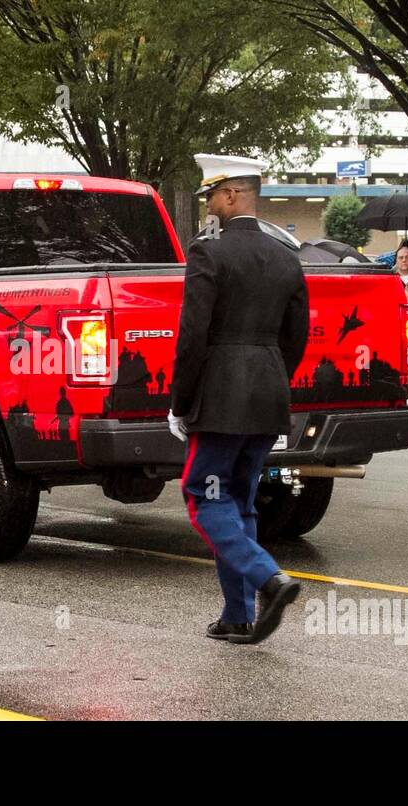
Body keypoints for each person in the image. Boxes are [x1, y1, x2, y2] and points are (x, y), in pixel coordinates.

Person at [170, 153, 308, 645]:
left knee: (203, 494)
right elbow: (297, 338)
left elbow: (192, 337)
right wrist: (270, 380)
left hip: (221, 397)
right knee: (241, 500)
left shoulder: (208, 253)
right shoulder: (286, 256)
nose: (210, 204)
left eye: (213, 195)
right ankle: (236, 613)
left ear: (232, 195)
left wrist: (180, 402)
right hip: (268, 395)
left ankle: (268, 578)